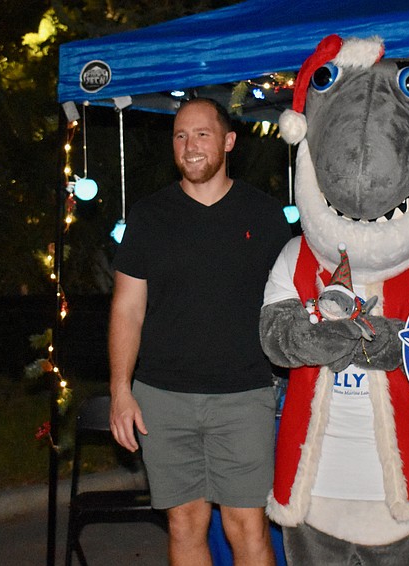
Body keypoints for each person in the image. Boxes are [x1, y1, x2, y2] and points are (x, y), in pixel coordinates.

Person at [108, 97, 291, 565]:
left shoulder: (266, 216)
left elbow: (289, 303)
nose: (190, 146)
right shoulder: (148, 217)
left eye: (202, 134)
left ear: (229, 142)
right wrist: (120, 391)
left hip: (244, 396)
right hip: (161, 399)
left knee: (247, 526)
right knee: (185, 522)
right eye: (180, 136)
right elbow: (127, 309)